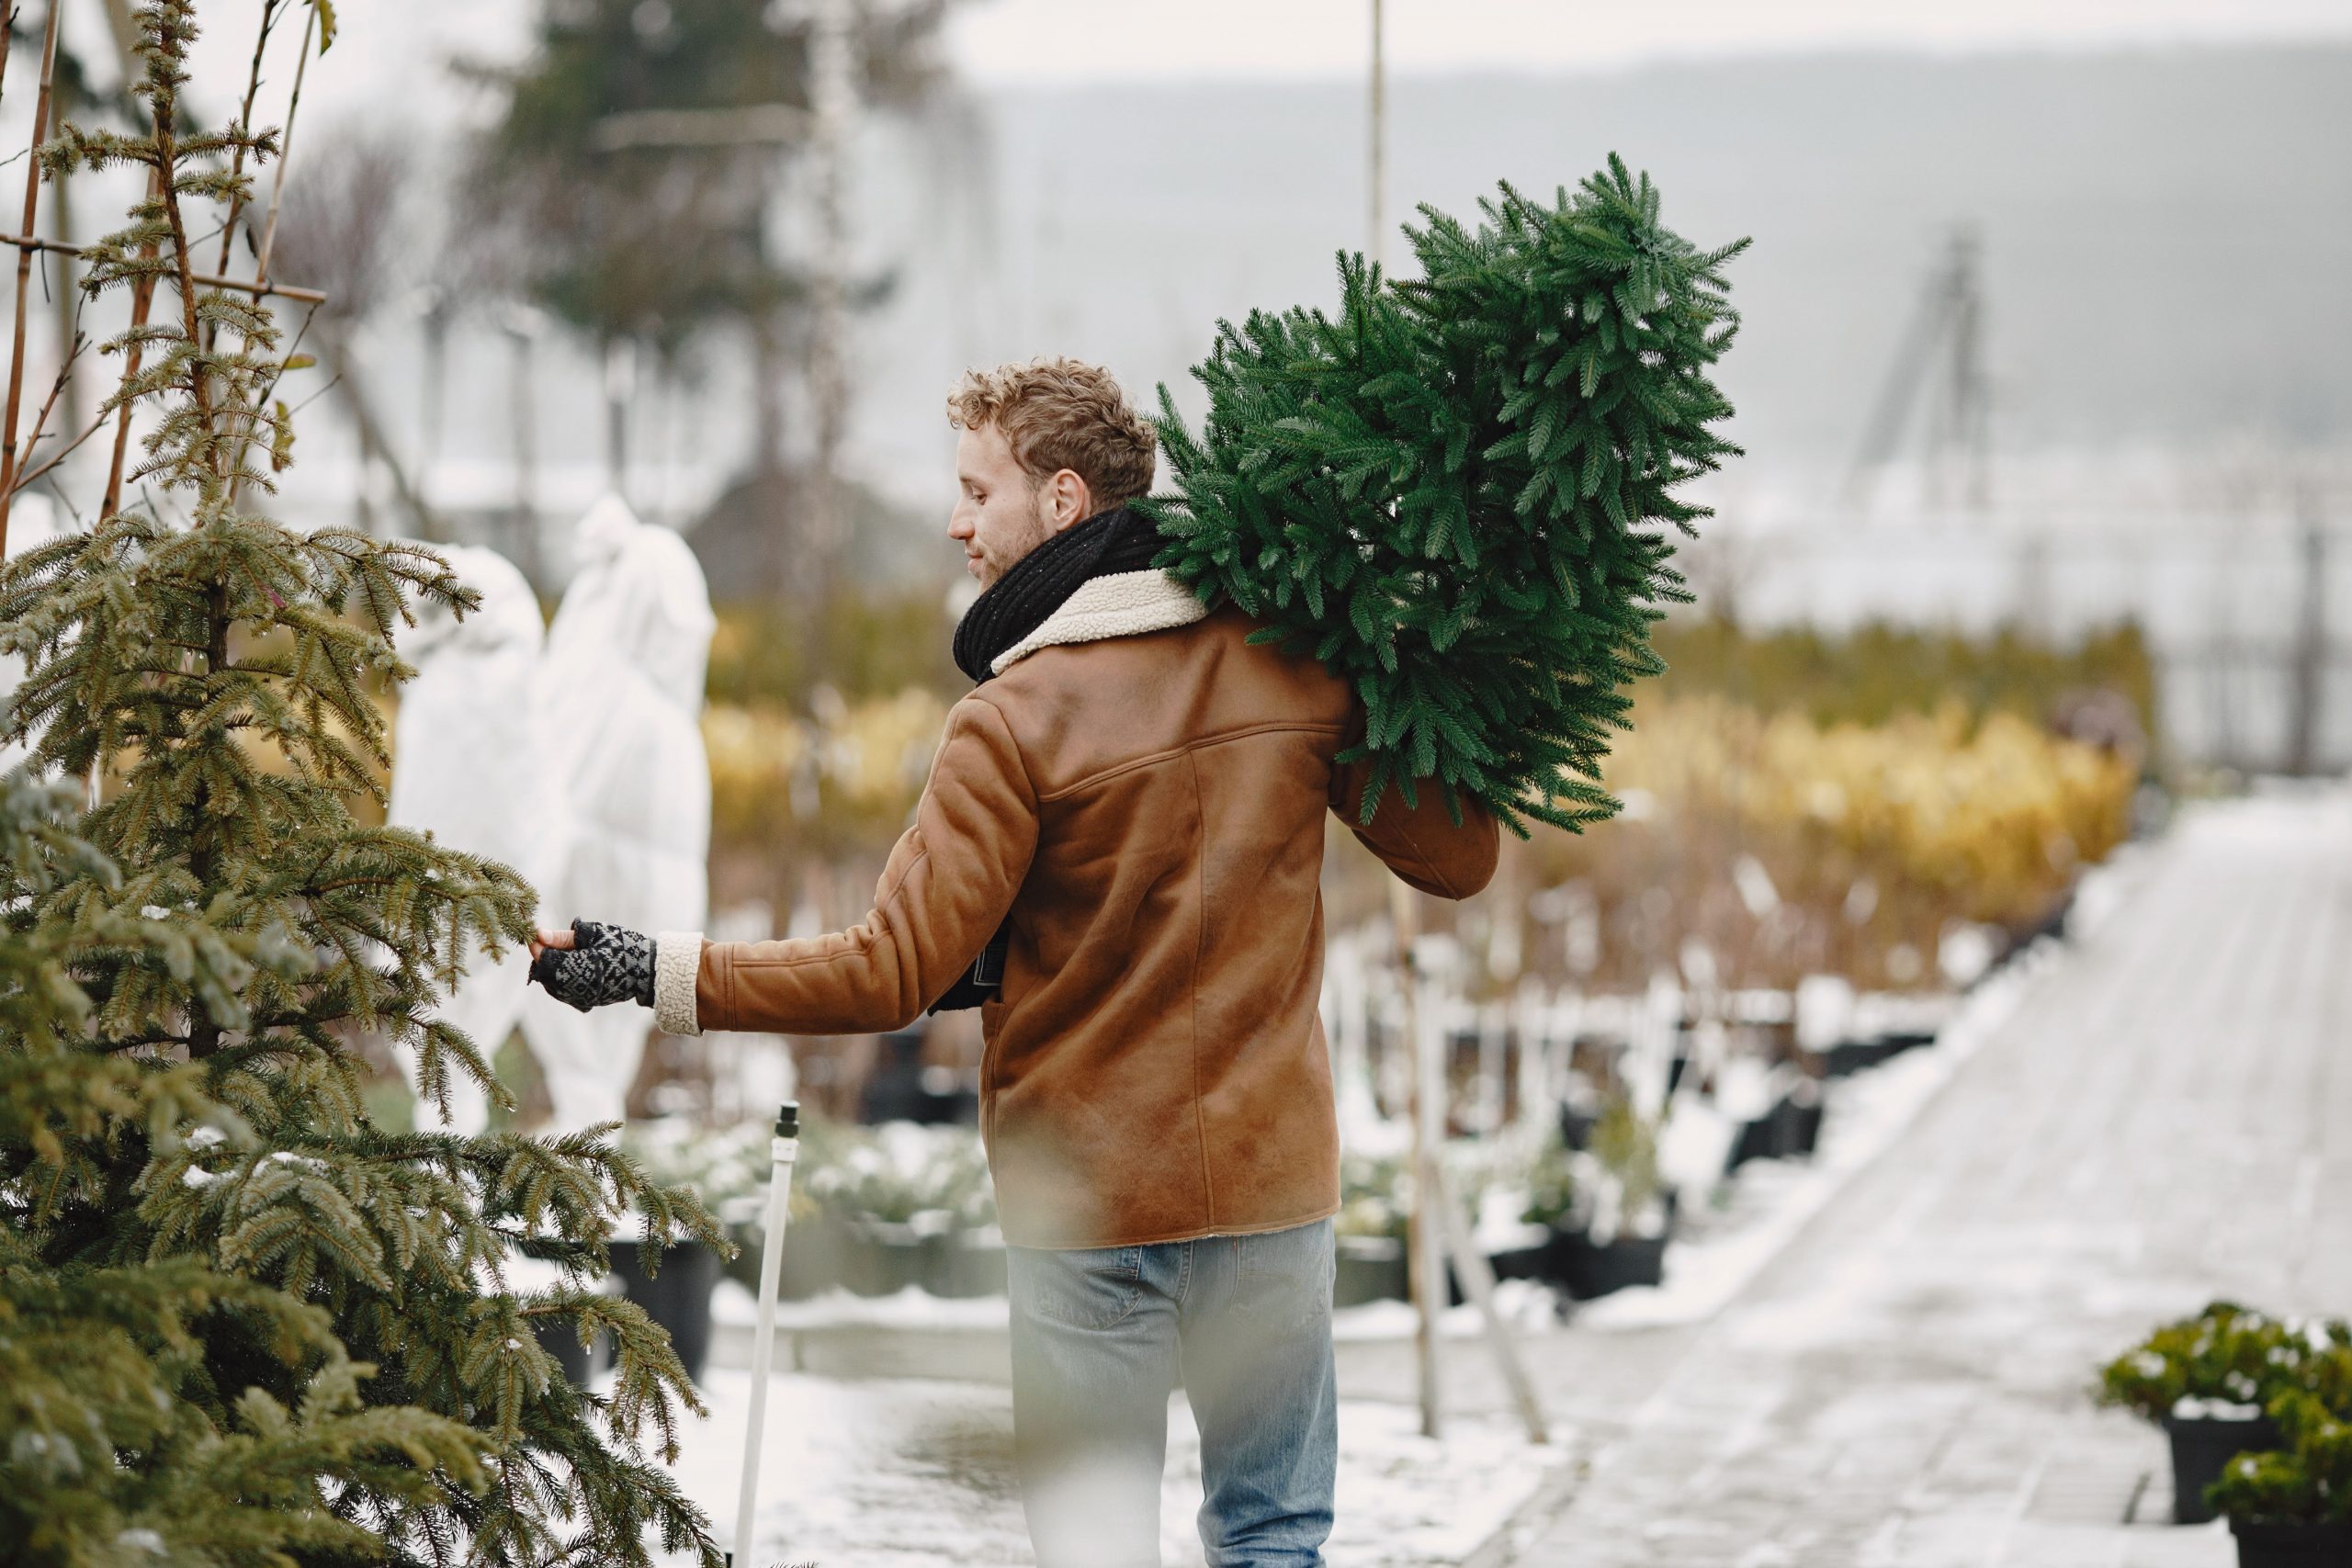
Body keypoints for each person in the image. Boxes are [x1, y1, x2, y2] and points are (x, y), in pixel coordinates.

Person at [529, 356, 1497, 1567]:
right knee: (1274, 1536)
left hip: (1087, 1207)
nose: (953, 520)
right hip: (1267, 1190)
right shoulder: (1290, 657)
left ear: (1063, 503)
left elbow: (890, 973)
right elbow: (1459, 859)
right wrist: (1408, 651)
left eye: (976, 490)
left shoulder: (1014, 720)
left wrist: (658, 970)